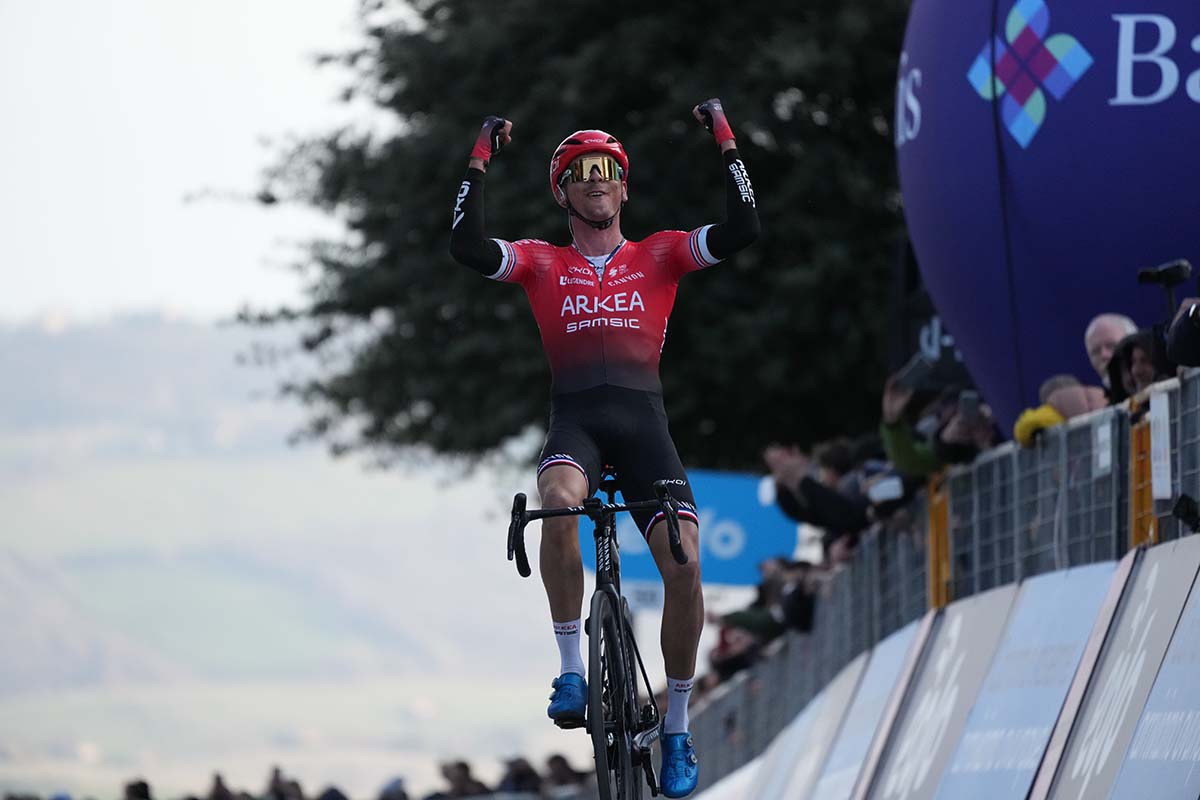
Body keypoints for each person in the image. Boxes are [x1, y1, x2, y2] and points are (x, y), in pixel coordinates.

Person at [450, 99, 759, 798]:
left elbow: (745, 227)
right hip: (578, 426)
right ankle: (569, 669)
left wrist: (725, 137)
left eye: (608, 171)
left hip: (645, 427)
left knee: (685, 567)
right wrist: (479, 157)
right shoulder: (540, 262)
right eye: (580, 172)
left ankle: (676, 727)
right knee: (558, 506)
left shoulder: (662, 254)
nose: (595, 180)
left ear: (625, 188)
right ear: (562, 190)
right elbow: (466, 247)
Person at [1084, 313, 1138, 388]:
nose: (1104, 355)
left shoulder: (1157, 394)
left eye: (1111, 346)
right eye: (1095, 351)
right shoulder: (1094, 398)